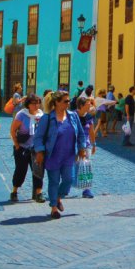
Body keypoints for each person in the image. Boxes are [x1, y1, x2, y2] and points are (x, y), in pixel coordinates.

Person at [34, 91, 87, 219]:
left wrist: (82, 147)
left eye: (69, 101)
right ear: (57, 102)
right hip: (52, 156)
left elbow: (80, 133)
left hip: (69, 155)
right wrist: (40, 151)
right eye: (65, 101)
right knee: (54, 181)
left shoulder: (73, 116)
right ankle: (53, 208)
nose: (68, 103)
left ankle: (58, 197)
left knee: (68, 180)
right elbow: (38, 137)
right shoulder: (47, 118)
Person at [9, 94, 45, 203]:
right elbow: (13, 130)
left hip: (36, 148)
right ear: (28, 104)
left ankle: (38, 193)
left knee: (38, 170)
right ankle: (14, 191)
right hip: (23, 148)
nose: (36, 105)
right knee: (21, 170)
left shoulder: (41, 115)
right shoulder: (21, 115)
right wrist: (16, 145)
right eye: (33, 103)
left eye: (38, 102)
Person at [76, 95, 97, 198]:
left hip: (86, 144)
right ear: (81, 105)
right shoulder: (73, 115)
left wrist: (94, 144)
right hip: (74, 145)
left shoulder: (89, 117)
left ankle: (86, 189)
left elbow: (91, 131)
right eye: (88, 104)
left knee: (86, 166)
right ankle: (65, 185)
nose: (90, 106)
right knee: (71, 165)